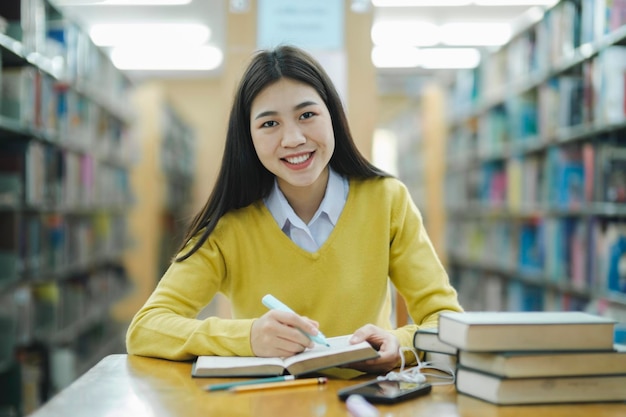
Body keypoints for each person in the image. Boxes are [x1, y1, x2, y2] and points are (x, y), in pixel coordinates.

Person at [126, 45, 462, 374]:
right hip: (269, 404)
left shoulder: (387, 200)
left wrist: (398, 342)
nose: (293, 138)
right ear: (249, 137)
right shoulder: (230, 225)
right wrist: (249, 337)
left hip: (366, 401)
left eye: (307, 115)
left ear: (332, 115)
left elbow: (445, 319)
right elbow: (146, 328)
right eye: (269, 124)